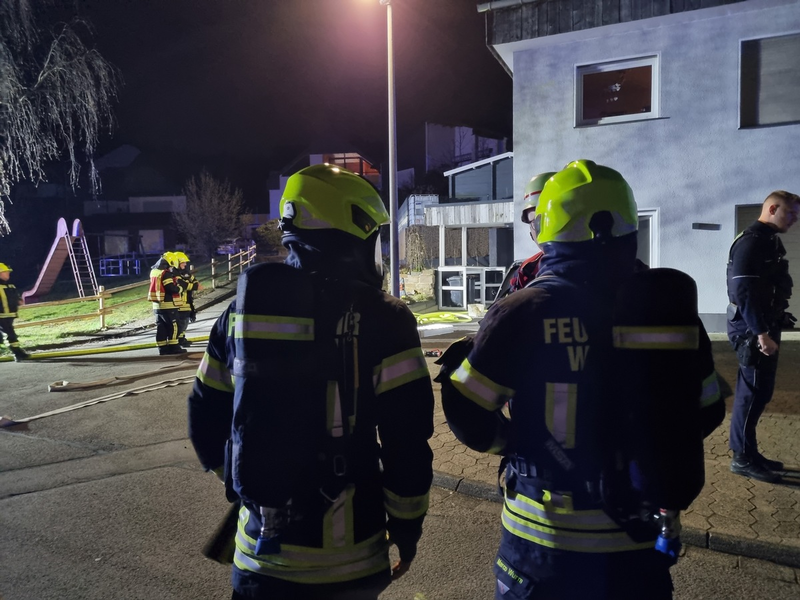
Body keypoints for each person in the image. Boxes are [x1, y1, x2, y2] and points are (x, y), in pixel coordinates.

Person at [437, 160, 724, 599]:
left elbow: (468, 411)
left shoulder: (524, 309)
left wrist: (515, 442)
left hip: (543, 547)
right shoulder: (666, 310)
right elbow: (707, 407)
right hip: (638, 537)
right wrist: (645, 447)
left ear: (548, 226)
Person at [187, 164, 434, 600]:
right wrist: (407, 529)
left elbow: (204, 416)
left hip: (257, 559)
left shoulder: (240, 316)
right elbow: (407, 444)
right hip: (348, 564)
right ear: (355, 232)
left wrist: (252, 477)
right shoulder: (387, 319)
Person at [727, 190, 800, 483]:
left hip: (764, 325)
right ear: (772, 208)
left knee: (761, 392)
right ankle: (741, 458)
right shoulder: (751, 242)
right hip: (752, 330)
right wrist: (761, 333)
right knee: (752, 392)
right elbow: (744, 292)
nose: (794, 220)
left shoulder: (769, 241)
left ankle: (750, 452)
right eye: (790, 213)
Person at [496, 172, 556, 299]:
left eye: (544, 219)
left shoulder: (602, 269)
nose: (539, 229)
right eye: (533, 222)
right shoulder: (527, 270)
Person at [147, 252, 187, 355]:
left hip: (157, 305)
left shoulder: (154, 272)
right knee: (174, 326)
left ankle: (163, 348)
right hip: (168, 305)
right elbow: (170, 288)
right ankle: (174, 347)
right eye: (172, 265)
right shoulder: (166, 274)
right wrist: (180, 288)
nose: (172, 268)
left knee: (161, 327)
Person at [0, 263, 30, 362]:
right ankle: (17, 353)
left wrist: (19, 300)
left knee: (9, 333)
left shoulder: (11, 285)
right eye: (6, 272)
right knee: (10, 334)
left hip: (10, 314)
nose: (8, 273)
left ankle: (18, 352)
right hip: (1, 315)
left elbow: (14, 296)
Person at [173, 251, 199, 347]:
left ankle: (182, 338)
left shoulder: (186, 273)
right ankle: (179, 340)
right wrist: (189, 285)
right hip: (178, 303)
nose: (185, 264)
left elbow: (196, 284)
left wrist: (189, 285)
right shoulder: (173, 273)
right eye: (183, 262)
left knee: (185, 322)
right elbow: (182, 284)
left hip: (187, 302)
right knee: (181, 322)